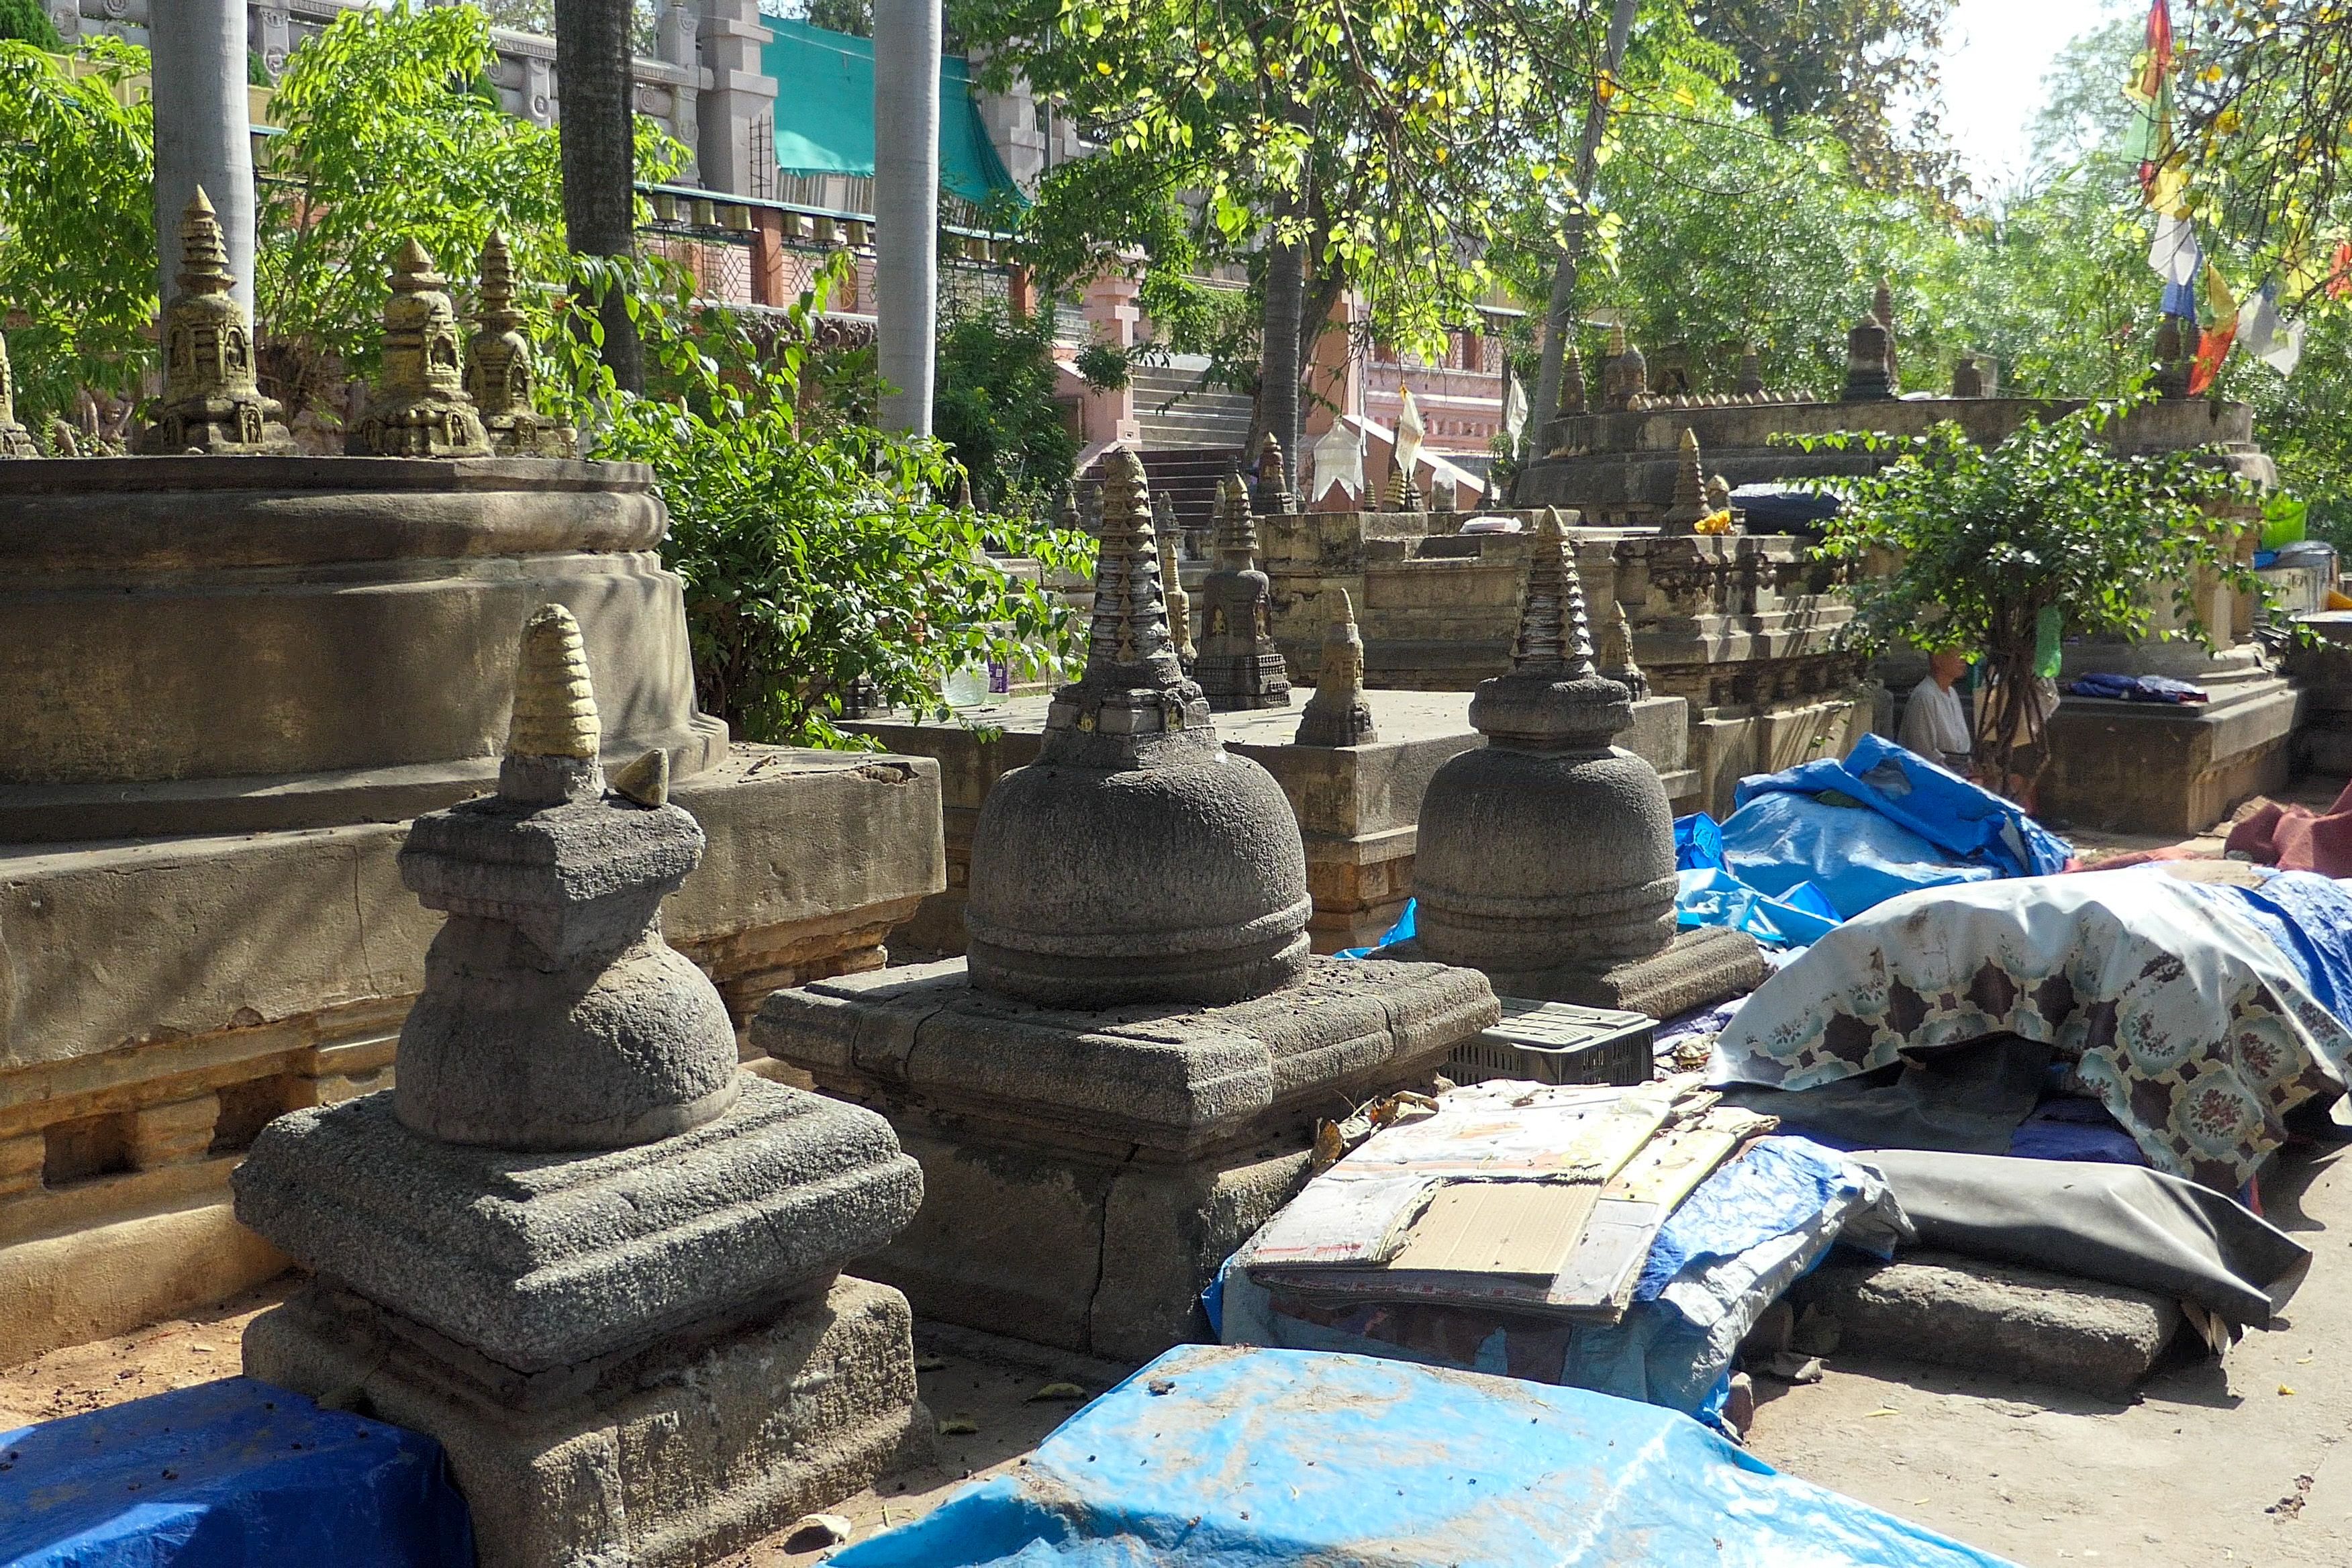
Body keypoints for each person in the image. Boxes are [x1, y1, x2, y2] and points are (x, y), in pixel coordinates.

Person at [1898, 649, 1973, 771]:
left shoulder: (1952, 693)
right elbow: (1925, 753)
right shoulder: (1924, 696)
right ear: (1937, 659)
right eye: (1957, 654)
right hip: (1935, 773)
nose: (1963, 659)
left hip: (1959, 769)